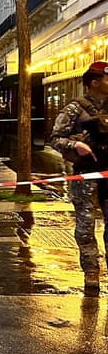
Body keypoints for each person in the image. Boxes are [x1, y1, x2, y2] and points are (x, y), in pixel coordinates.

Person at [50, 61, 108, 295]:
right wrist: (76, 144)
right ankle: (91, 271)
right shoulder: (75, 109)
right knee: (85, 227)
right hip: (86, 177)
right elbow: (55, 138)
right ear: (94, 83)